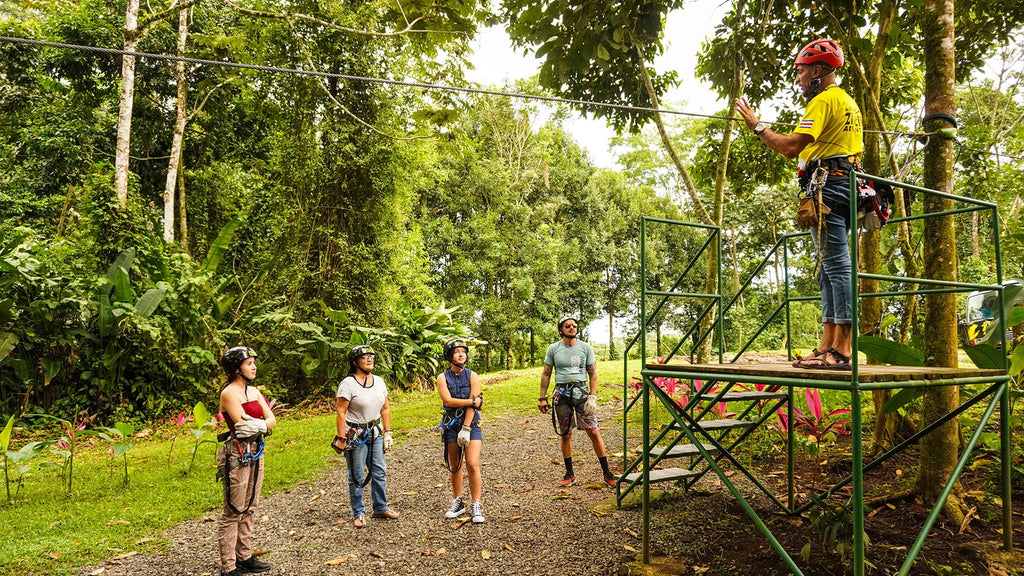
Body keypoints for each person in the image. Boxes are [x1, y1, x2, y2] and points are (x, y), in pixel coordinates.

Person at [736, 38, 863, 370]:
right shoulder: (849, 102)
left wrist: (757, 126)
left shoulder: (823, 102)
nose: (799, 79)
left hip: (829, 186)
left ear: (818, 71)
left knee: (836, 265)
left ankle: (843, 349)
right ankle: (828, 346)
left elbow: (791, 146)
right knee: (827, 269)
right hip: (841, 183)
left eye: (802, 72)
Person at [216, 346, 276, 576]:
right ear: (236, 369)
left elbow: (271, 419)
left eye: (253, 362)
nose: (254, 367)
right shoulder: (229, 393)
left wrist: (262, 424)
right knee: (234, 509)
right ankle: (228, 566)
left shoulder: (254, 392)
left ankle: (245, 556)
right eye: (249, 363)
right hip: (237, 452)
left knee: (251, 505)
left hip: (255, 450)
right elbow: (242, 424)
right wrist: (263, 423)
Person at [538, 317, 616, 487]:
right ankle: (569, 473)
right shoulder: (553, 349)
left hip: (581, 393)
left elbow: (593, 372)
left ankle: (607, 472)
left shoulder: (585, 347)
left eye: (574, 326)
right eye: (567, 326)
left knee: (593, 431)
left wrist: (593, 396)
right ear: (561, 330)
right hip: (562, 394)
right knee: (566, 434)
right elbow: (546, 373)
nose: (571, 328)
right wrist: (542, 398)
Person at [331, 344, 398, 528]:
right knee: (357, 474)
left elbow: (385, 408)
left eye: (371, 356)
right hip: (355, 434)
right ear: (355, 362)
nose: (370, 359)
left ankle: (380, 507)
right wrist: (341, 437)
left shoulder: (379, 381)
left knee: (379, 470)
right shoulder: (348, 384)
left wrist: (388, 432)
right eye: (365, 357)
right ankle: (359, 512)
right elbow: (341, 412)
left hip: (375, 431)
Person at [436, 338, 485, 523]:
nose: (461, 354)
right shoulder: (442, 378)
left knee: (472, 463)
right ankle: (458, 501)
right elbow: (448, 401)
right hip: (450, 424)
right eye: (457, 351)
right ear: (449, 356)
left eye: (463, 351)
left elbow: (475, 405)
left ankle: (476, 504)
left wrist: (466, 427)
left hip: (471, 424)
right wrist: (472, 401)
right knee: (455, 465)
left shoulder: (472, 376)